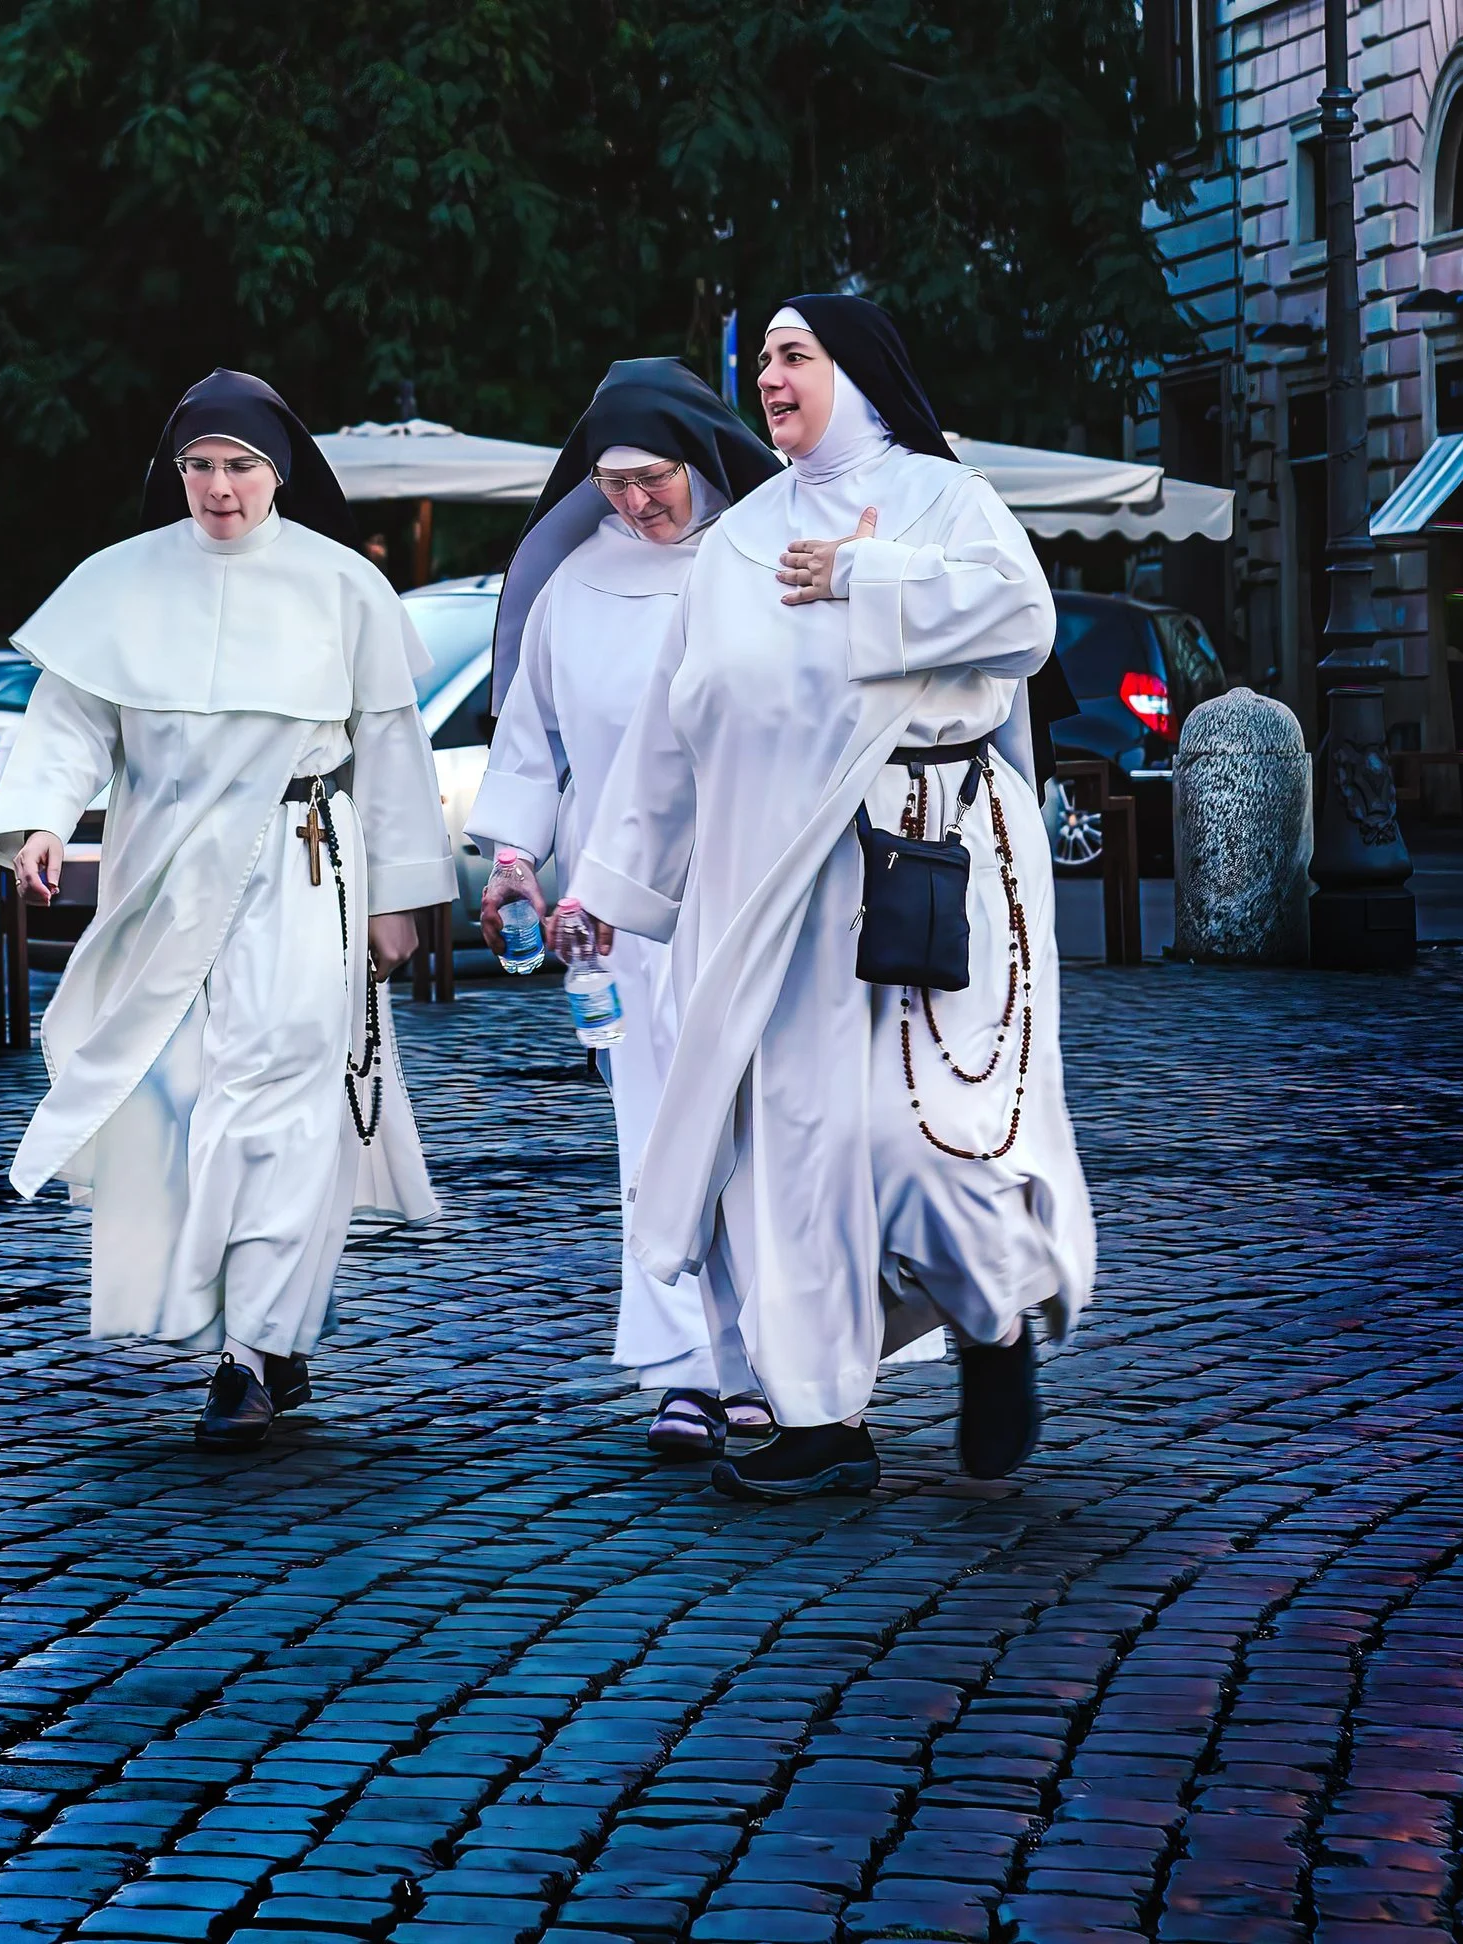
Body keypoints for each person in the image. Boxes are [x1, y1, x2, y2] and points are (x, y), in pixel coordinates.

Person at [569, 295, 1096, 1501]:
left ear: (855, 373)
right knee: (790, 1156)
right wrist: (616, 886)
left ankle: (994, 1318)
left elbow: (1023, 620)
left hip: (930, 865)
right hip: (775, 894)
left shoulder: (944, 497)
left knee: (925, 1137)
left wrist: (867, 574)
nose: (769, 375)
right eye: (760, 358)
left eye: (793, 353)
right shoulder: (739, 541)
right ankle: (820, 1422)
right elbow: (673, 725)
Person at [0, 370, 457, 1449]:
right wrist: (41, 822)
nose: (219, 488)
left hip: (300, 872)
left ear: (278, 472)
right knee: (179, 1101)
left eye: (240, 466)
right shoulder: (120, 581)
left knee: (279, 1098)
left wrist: (402, 899)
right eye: (199, 466)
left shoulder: (342, 588)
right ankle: (258, 1331)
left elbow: (389, 750)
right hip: (162, 877)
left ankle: (248, 1353)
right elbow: (66, 725)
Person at [465, 359, 781, 1460]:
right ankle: (687, 1372)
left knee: (762, 1136)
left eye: (653, 479)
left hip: (755, 895)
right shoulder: (568, 588)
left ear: (698, 461)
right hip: (616, 919)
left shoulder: (762, 560)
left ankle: (776, 1366)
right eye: (611, 485)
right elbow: (530, 747)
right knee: (651, 1140)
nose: (635, 504)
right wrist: (515, 859)